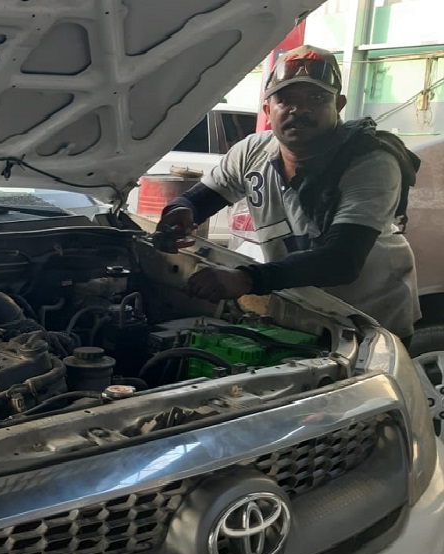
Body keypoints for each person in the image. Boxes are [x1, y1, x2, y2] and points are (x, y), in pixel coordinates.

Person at [154, 45, 421, 342]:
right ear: (268, 110)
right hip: (302, 312)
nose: (300, 109)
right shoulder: (251, 152)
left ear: (339, 105)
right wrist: (179, 211)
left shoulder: (370, 161)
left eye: (316, 98)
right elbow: (198, 200)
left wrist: (245, 279)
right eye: (285, 99)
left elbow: (342, 260)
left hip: (371, 321)